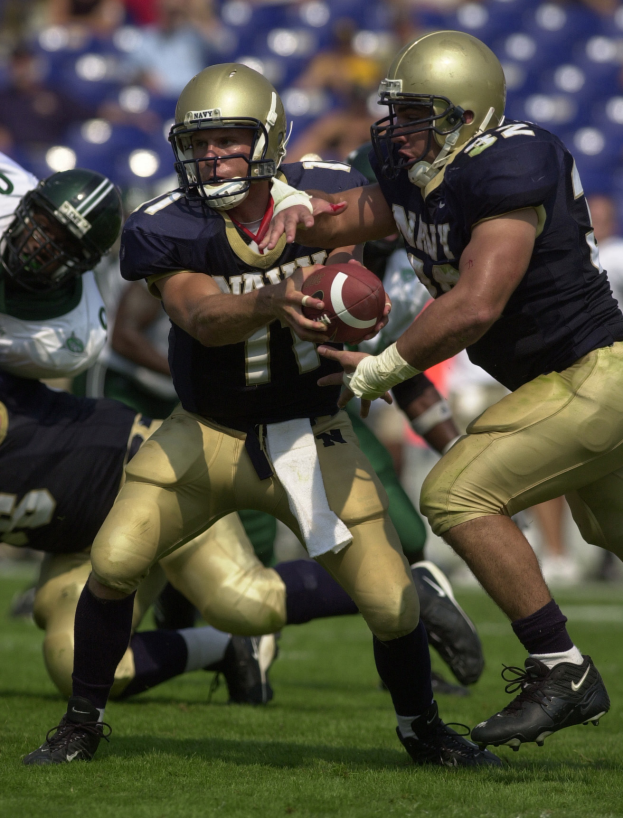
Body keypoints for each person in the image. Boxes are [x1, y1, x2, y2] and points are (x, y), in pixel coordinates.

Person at [24, 64, 500, 768]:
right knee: (116, 559)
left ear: (268, 140)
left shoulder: (327, 189)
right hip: (205, 431)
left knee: (392, 603)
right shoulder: (166, 224)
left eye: (229, 140)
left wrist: (339, 264)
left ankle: (421, 729)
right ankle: (81, 723)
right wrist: (271, 299)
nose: (212, 156)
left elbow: (380, 229)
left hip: (312, 434)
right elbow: (197, 314)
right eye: (200, 143)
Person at [262, 30, 618, 753]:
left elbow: (474, 305)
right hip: (565, 382)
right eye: (401, 112)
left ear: (470, 114)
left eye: (422, 113)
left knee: (456, 495)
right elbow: (357, 212)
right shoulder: (424, 175)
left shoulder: (513, 163)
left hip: (595, 375)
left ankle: (561, 671)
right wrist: (296, 214)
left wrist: (376, 369)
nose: (403, 130)